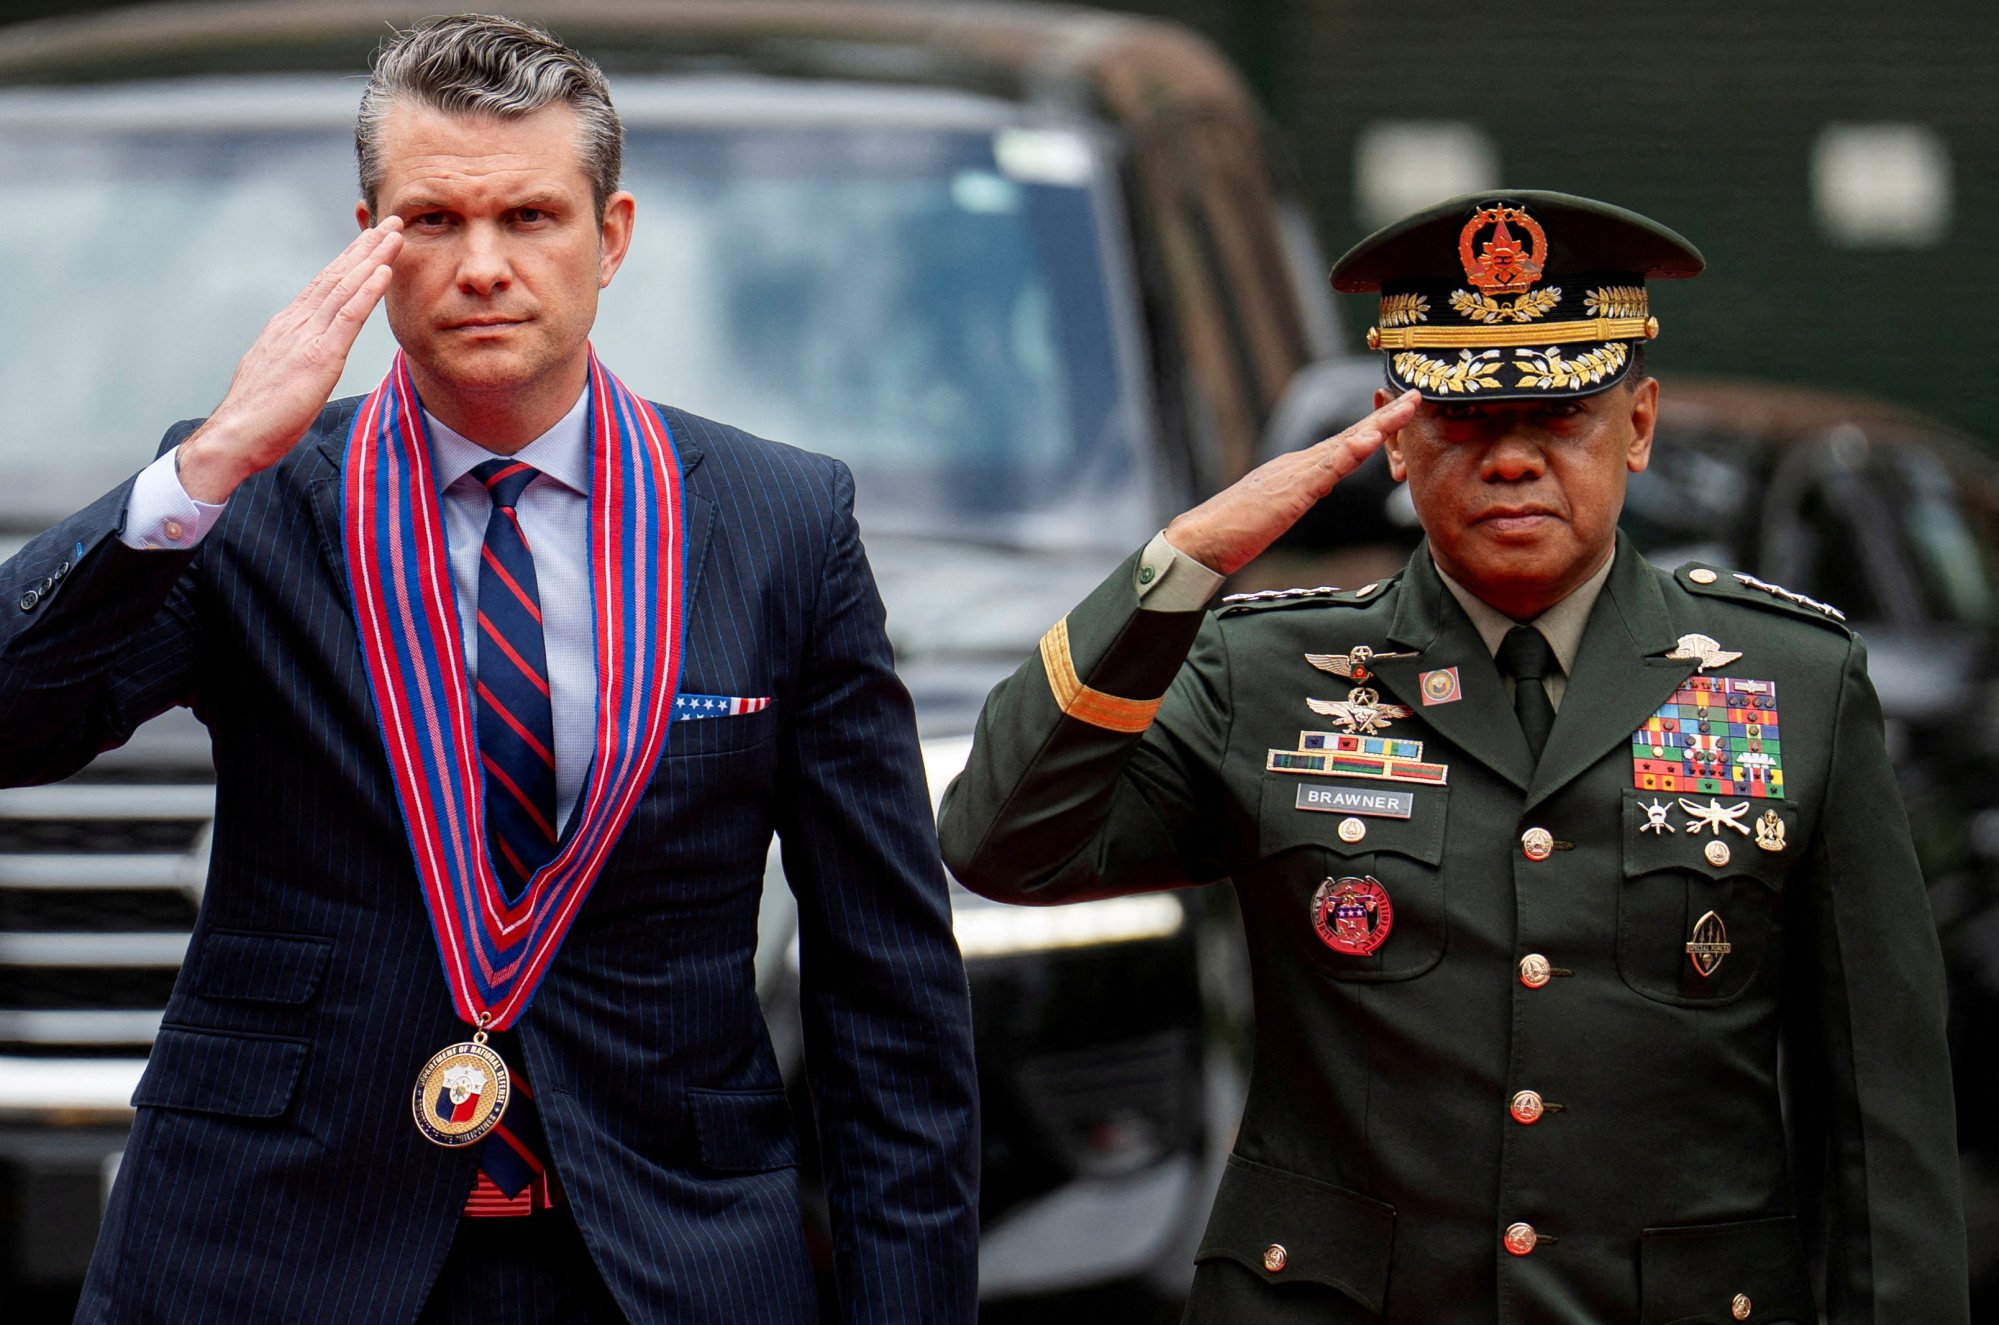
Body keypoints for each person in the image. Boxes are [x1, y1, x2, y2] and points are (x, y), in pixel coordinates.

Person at [0, 15, 977, 1324]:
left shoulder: (777, 524)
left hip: (654, 1256)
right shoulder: (258, 502)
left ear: (611, 234)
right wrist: (208, 463)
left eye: (528, 217)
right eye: (432, 221)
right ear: (368, 235)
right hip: (272, 1248)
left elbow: (888, 994)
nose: (481, 267)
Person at [939, 190, 1968, 1322]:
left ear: (1638, 423)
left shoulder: (1790, 682)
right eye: (1469, 421)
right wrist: (1176, 568)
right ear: (1392, 428)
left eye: (1560, 417)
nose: (1512, 461)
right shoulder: (1267, 672)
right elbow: (1001, 841)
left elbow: (1880, 1123)